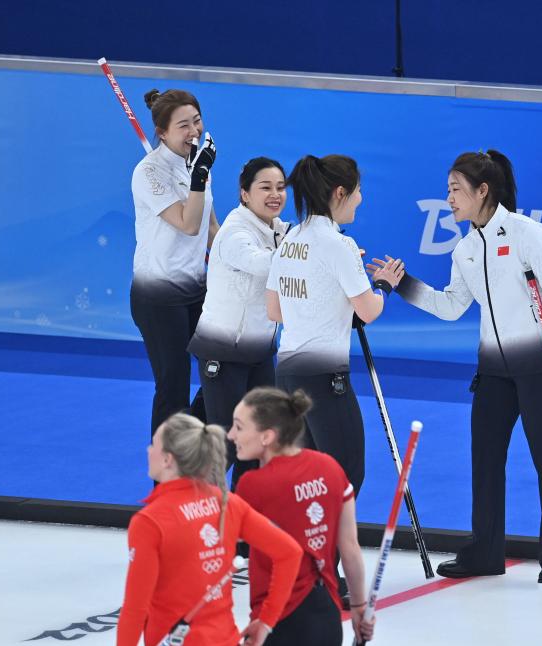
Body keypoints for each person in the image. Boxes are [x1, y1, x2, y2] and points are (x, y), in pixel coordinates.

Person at [368, 149, 542, 584]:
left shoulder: (528, 234)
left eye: (455, 189)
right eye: (448, 189)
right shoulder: (464, 249)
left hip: (540, 365)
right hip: (492, 372)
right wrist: (403, 284)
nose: (448, 198)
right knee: (485, 459)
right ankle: (485, 552)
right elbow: (450, 307)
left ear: (483, 191)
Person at [265, 154, 402, 497]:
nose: (361, 198)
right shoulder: (340, 245)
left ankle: (303, 552)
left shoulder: (291, 238)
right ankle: (325, 553)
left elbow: (275, 310)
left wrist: (330, 294)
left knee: (306, 483)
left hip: (287, 373)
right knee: (343, 479)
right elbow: (368, 311)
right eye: (358, 190)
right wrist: (384, 284)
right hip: (324, 380)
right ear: (340, 192)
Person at [117, 413, 302, 646]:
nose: (148, 450)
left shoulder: (150, 522)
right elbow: (290, 552)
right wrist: (267, 620)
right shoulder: (227, 503)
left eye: (154, 444)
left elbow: (135, 610)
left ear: (167, 459)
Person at [229, 387, 374, 646]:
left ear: (267, 437)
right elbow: (350, 548)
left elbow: (222, 545)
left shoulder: (253, 484)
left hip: (279, 618)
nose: (231, 435)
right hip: (327, 615)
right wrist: (359, 606)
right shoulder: (329, 467)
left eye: (239, 427)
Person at [188, 157, 290, 489]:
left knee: (258, 441)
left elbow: (304, 242)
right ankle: (198, 519)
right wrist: (306, 253)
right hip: (224, 351)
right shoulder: (235, 232)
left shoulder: (278, 229)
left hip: (259, 352)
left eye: (280, 187)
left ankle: (243, 526)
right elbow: (262, 265)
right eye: (265, 187)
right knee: (229, 444)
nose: (274, 194)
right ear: (244, 194)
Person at [131, 88, 220, 437]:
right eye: (183, 125)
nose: (194, 131)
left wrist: (248, 260)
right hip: (157, 295)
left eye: (197, 121)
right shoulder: (148, 173)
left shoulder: (198, 162)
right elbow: (188, 223)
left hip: (197, 289)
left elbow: (211, 227)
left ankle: (192, 442)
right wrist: (197, 177)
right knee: (173, 387)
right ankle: (167, 483)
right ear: (162, 132)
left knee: (223, 370)